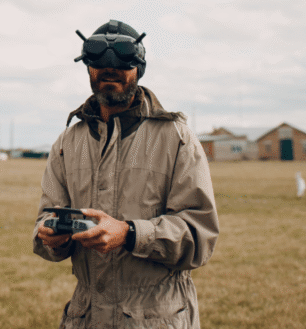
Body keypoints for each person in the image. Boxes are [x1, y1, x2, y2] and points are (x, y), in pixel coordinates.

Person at [33, 19, 219, 329]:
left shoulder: (176, 138)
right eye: (99, 63)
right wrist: (52, 236)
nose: (110, 69)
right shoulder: (68, 143)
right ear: (88, 67)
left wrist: (130, 234)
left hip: (157, 318)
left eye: (122, 62)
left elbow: (200, 236)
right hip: (87, 317)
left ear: (139, 68)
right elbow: (44, 224)